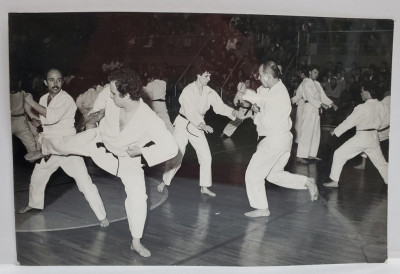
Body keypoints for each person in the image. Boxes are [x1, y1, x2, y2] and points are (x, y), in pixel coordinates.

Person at [40, 68, 178, 257]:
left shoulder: (149, 119)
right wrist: (96, 116)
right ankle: (43, 148)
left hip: (127, 159)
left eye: (114, 94)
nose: (110, 95)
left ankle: (135, 241)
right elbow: (98, 107)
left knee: (139, 198)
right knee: (65, 143)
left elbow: (171, 147)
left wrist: (142, 151)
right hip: (99, 142)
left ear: (127, 94)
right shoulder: (109, 92)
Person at [18, 68, 109, 229]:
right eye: (52, 80)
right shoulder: (44, 98)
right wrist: (35, 121)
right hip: (49, 146)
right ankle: (34, 204)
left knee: (84, 183)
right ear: (46, 82)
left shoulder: (66, 99)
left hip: (67, 148)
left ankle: (102, 216)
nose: (56, 83)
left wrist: (30, 103)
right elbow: (45, 121)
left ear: (62, 81)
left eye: (59, 80)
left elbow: (52, 116)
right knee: (38, 177)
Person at [240, 61, 319, 218]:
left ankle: (261, 208)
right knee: (274, 174)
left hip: (272, 140)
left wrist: (256, 115)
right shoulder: (278, 89)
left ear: (268, 76)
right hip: (283, 141)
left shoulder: (277, 93)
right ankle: (306, 182)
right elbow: (263, 102)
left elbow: (267, 121)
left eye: (261, 75)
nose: (259, 78)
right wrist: (247, 94)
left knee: (253, 174)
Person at [159, 64, 244, 197]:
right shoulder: (188, 90)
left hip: (197, 127)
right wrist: (202, 125)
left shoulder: (209, 91)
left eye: (210, 75)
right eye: (206, 75)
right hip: (182, 124)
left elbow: (220, 107)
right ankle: (164, 182)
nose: (209, 78)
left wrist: (233, 112)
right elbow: (190, 111)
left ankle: (204, 187)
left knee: (206, 156)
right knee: (177, 155)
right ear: (198, 75)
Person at [324, 82, 388, 188]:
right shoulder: (382, 106)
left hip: (362, 137)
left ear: (367, 92)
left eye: (362, 91)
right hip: (374, 137)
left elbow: (349, 122)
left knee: (339, 154)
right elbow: (386, 122)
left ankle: (334, 181)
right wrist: (378, 127)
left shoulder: (362, 107)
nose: (361, 94)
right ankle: (391, 180)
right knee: (381, 163)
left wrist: (335, 131)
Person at [296, 65, 338, 164]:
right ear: (310, 72)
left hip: (316, 110)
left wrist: (332, 104)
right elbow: (310, 97)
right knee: (307, 131)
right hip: (309, 108)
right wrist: (321, 104)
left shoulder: (318, 84)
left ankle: (311, 154)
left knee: (315, 132)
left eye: (317, 73)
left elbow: (323, 96)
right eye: (314, 72)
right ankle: (300, 155)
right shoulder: (306, 83)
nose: (316, 74)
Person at [10, 77, 42, 162]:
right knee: (31, 143)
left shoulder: (25, 95)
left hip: (16, 121)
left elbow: (30, 112)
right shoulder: (24, 94)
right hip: (17, 121)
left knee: (32, 141)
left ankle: (35, 158)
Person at [290, 68, 307, 143]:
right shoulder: (306, 82)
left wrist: (289, 102)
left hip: (302, 104)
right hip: (302, 104)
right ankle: (299, 140)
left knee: (299, 123)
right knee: (299, 123)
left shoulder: (304, 83)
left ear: (302, 74)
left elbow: (298, 96)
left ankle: (298, 140)